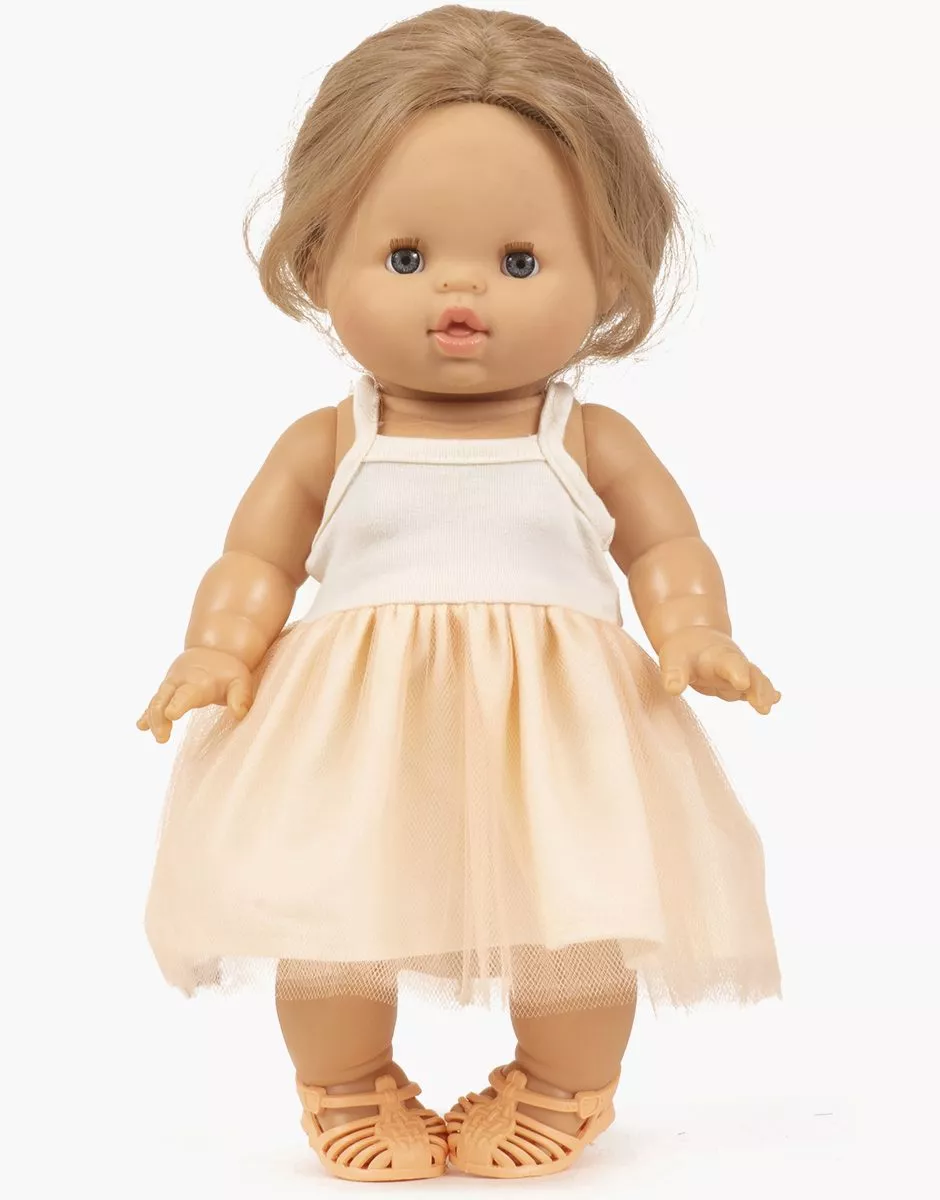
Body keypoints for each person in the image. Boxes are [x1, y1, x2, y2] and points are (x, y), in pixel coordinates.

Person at [139, 5, 781, 1182]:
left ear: (609, 273)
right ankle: (343, 1084)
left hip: (559, 741)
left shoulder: (584, 440)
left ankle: (563, 1083)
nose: (459, 294)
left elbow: (664, 544)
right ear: (318, 257)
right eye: (405, 258)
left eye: (520, 263)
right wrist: (219, 646)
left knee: (574, 926)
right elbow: (256, 562)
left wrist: (696, 629)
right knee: (329, 926)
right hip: (355, 738)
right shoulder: (331, 442)